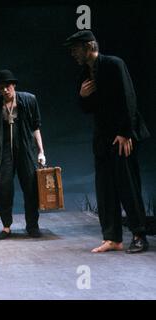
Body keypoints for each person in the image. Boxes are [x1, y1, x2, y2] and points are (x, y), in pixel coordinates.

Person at [64, 30, 151, 253]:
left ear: (89, 46)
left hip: (122, 136)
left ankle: (139, 235)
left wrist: (125, 133)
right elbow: (87, 110)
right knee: (105, 188)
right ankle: (112, 237)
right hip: (102, 138)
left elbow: (128, 97)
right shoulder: (83, 74)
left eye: (76, 48)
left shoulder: (113, 64)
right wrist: (83, 96)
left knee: (128, 186)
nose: (73, 53)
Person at [0, 69, 46, 239]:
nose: (5, 90)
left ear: (14, 85)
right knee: (4, 188)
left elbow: (36, 127)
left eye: (8, 86)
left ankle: (32, 226)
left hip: (25, 150)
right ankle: (6, 227)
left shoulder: (29, 100)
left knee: (31, 188)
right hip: (3, 153)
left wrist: (41, 151)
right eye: (1, 87)